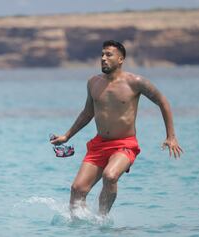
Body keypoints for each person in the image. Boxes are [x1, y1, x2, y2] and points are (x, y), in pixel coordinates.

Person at [50, 40, 183, 216]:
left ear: (121, 59)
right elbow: (87, 113)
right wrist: (67, 136)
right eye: (102, 55)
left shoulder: (135, 82)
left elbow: (163, 102)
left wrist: (171, 136)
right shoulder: (93, 83)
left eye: (109, 55)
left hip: (124, 144)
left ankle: (102, 220)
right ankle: (78, 227)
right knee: (77, 189)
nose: (103, 58)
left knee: (110, 176)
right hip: (99, 144)